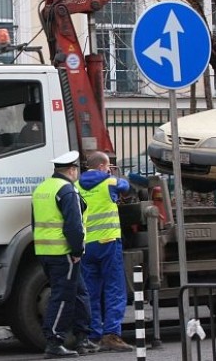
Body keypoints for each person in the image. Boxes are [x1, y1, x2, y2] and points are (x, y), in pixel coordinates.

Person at [31, 150, 99, 358]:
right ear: (72, 170)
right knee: (63, 297)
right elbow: (74, 226)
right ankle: (54, 341)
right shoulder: (67, 190)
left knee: (79, 293)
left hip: (44, 250)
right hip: (64, 252)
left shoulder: (42, 188)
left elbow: (34, 222)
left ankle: (82, 338)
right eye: (76, 169)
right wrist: (76, 250)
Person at [76, 151, 134, 352]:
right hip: (108, 242)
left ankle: (93, 335)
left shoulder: (76, 185)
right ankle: (111, 334)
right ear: (102, 166)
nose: (109, 169)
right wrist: (113, 177)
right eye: (108, 166)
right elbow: (126, 186)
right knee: (114, 289)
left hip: (86, 245)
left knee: (90, 291)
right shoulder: (109, 182)